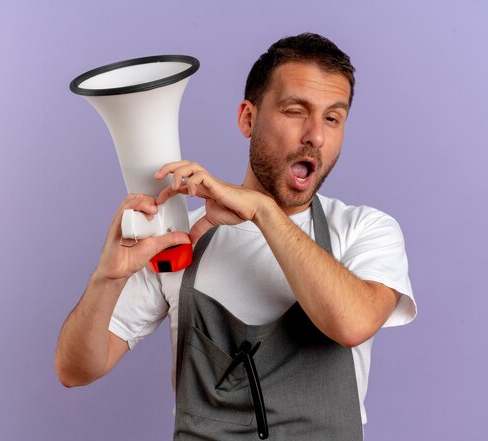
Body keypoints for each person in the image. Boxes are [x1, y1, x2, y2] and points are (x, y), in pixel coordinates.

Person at [55, 33, 416, 440]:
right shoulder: (178, 238)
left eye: (332, 118)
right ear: (248, 118)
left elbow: (352, 323)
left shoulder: (365, 230)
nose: (315, 135)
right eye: (296, 111)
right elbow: (75, 370)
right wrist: (107, 278)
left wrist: (261, 210)